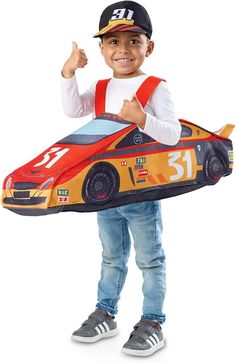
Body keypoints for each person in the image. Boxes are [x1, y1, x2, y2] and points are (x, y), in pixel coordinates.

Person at [61, 0, 181, 357]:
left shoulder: (155, 87)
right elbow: (71, 110)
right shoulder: (99, 89)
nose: (123, 50)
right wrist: (68, 74)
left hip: (141, 190)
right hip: (104, 191)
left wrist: (143, 119)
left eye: (133, 40)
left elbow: (173, 135)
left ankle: (153, 321)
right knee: (111, 256)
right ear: (101, 49)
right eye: (113, 42)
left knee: (149, 258)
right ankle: (106, 312)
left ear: (149, 47)